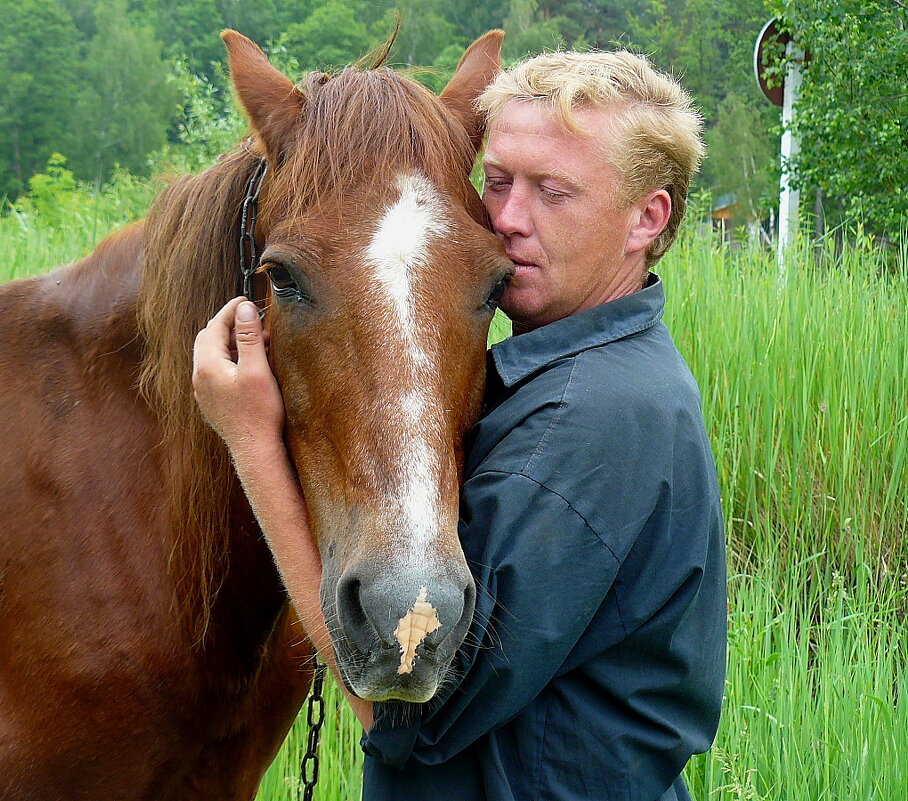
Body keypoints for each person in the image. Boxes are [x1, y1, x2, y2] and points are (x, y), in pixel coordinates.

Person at [193, 50, 726, 801]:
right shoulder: (602, 373)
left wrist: (250, 439)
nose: (506, 219)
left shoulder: (591, 417)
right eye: (499, 180)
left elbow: (402, 708)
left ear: (648, 217)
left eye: (553, 191)